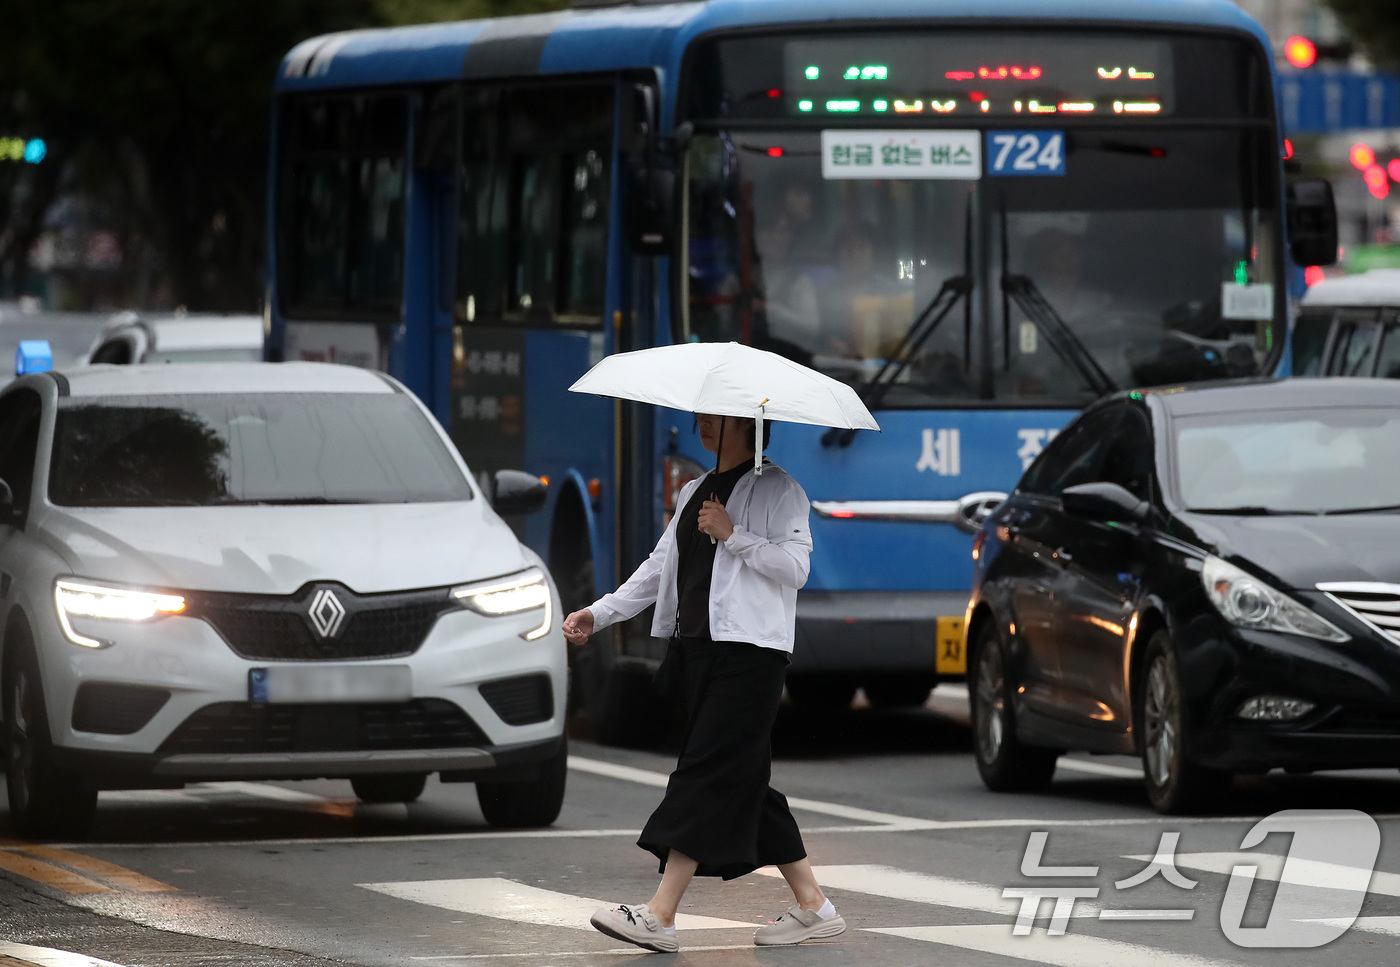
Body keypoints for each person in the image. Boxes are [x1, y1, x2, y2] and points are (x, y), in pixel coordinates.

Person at [561, 413, 845, 953]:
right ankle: (815, 906)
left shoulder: (780, 489)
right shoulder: (694, 490)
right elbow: (658, 565)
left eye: (715, 418)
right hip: (696, 653)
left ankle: (660, 913)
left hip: (752, 657)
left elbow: (795, 569)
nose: (703, 426)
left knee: (704, 769)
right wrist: (600, 613)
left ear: (747, 423)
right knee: (743, 779)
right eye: (701, 416)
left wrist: (733, 536)